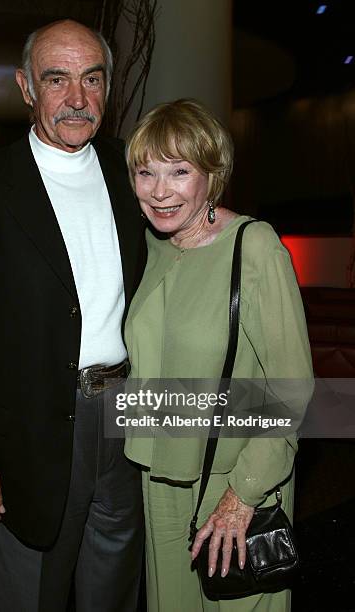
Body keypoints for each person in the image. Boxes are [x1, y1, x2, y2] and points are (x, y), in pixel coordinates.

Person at [0, 19, 146, 612]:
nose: (77, 99)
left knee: (117, 591)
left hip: (130, 419)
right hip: (29, 438)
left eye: (92, 79)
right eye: (57, 80)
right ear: (27, 87)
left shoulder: (135, 173)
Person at [124, 99, 313, 612]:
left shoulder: (254, 247)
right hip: (159, 476)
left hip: (235, 476)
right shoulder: (152, 245)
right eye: (146, 172)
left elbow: (292, 388)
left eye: (180, 171)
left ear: (213, 174)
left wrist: (243, 495)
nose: (160, 190)